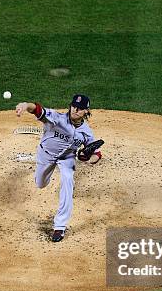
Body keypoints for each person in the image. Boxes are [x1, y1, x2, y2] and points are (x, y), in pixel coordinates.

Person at [15, 94, 102, 242]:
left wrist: (88, 160)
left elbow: (97, 154)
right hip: (45, 154)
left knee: (68, 179)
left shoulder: (86, 132)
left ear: (86, 111)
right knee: (40, 184)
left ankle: (60, 227)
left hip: (67, 158)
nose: (75, 109)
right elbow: (37, 109)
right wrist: (25, 105)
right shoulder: (56, 118)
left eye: (80, 108)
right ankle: (40, 169)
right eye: (74, 106)